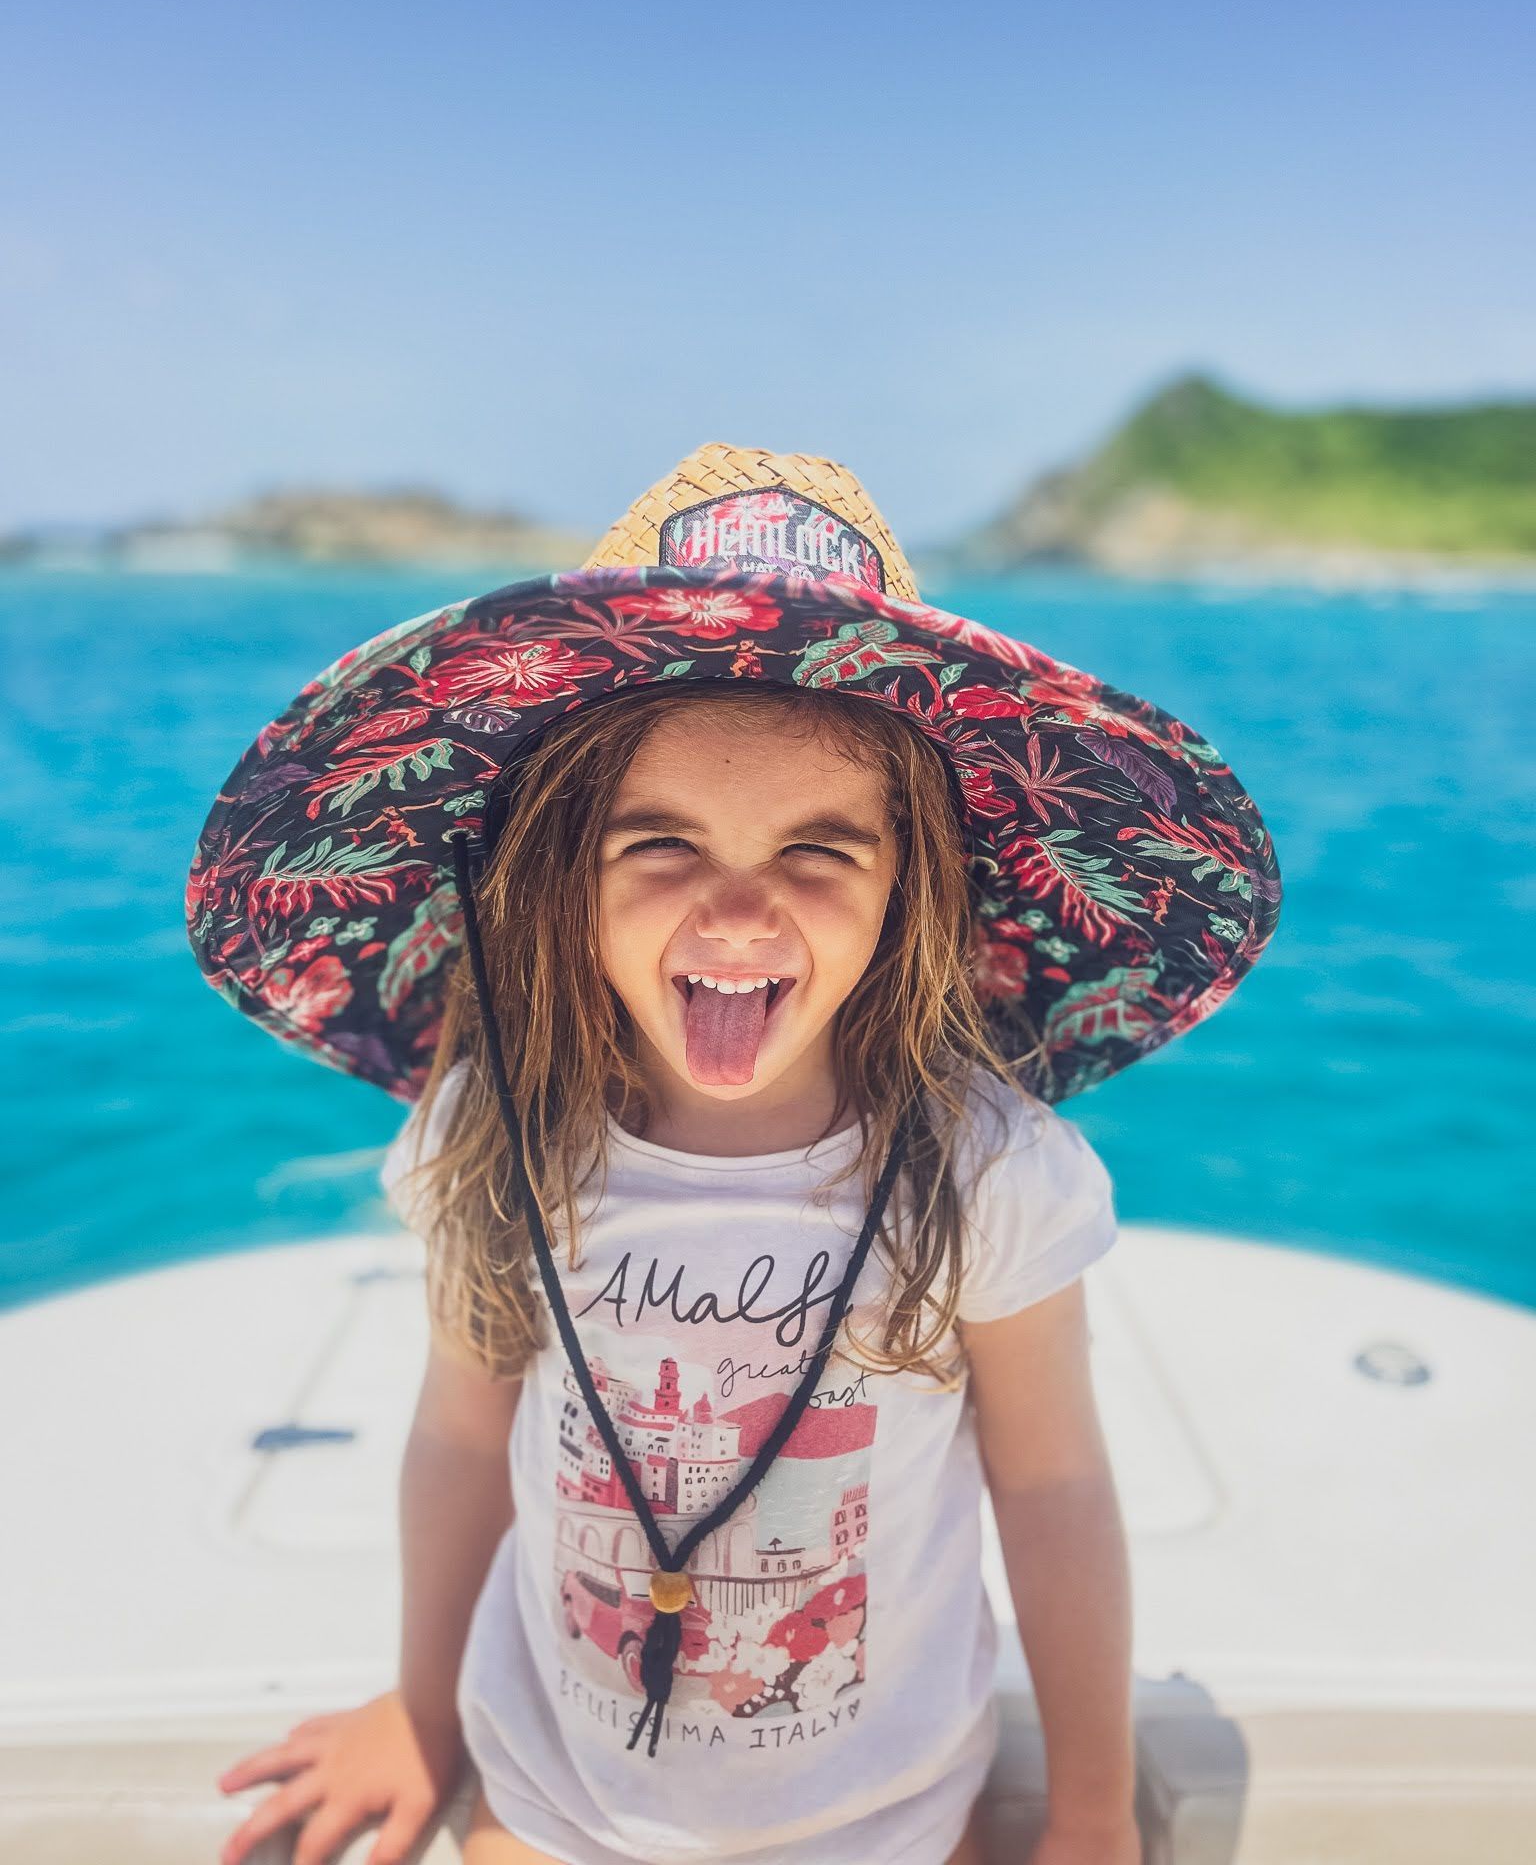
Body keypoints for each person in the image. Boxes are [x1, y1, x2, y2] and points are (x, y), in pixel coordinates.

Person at [188, 444, 1281, 1865]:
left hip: (883, 1818)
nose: (741, 915)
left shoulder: (983, 1167)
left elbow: (1054, 1486)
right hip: (548, 1791)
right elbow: (463, 1435)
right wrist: (421, 1710)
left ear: (914, 893)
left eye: (822, 852)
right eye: (662, 845)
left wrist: (1085, 1812)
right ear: (553, 875)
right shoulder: (495, 1131)